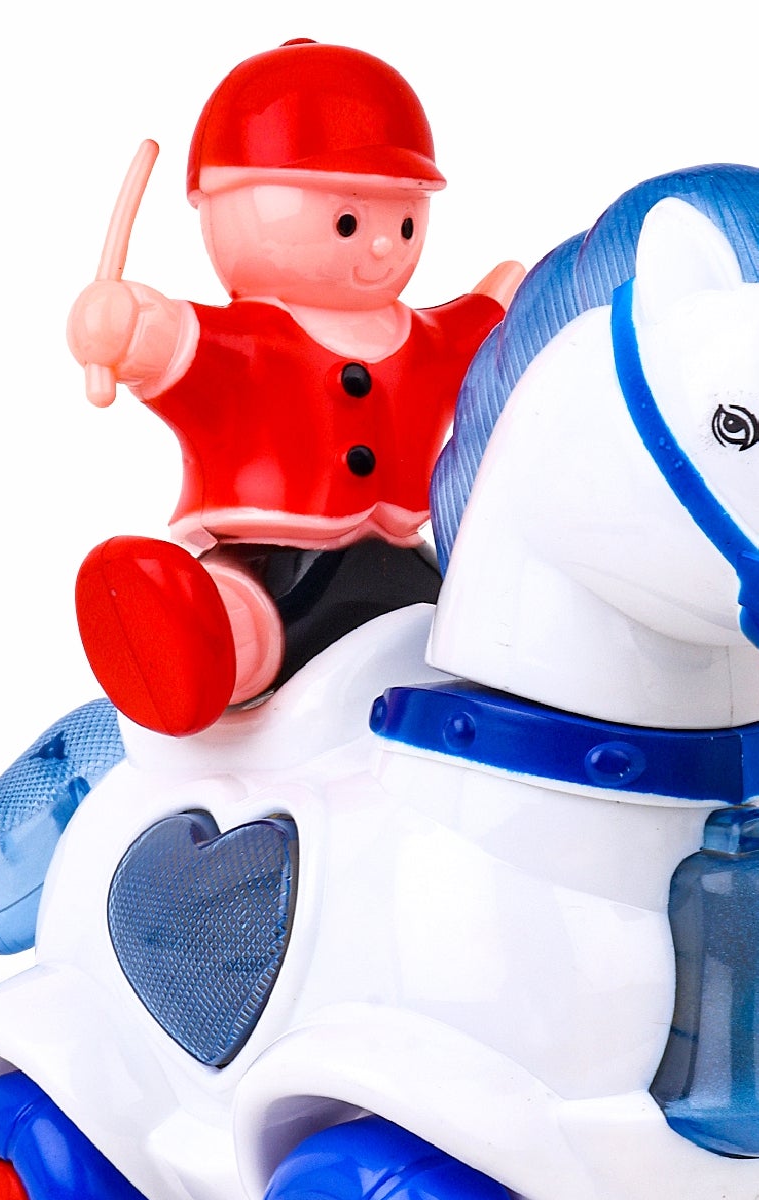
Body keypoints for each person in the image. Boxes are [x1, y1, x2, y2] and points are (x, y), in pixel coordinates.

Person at [68, 40, 521, 735]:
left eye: (402, 221)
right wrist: (124, 324)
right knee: (247, 618)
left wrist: (517, 301)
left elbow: (481, 330)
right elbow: (172, 341)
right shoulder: (248, 340)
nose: (381, 246)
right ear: (230, 207)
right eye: (348, 222)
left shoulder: (423, 336)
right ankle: (187, 645)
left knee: (458, 616)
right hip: (270, 564)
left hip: (406, 562)